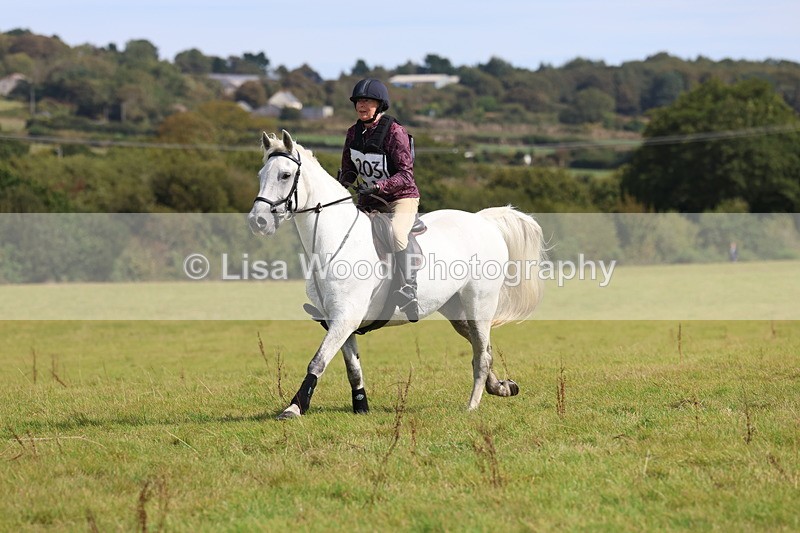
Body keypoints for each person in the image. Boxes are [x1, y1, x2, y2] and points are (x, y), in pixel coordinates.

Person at [338, 78, 420, 321]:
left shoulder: (394, 132)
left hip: (400, 198)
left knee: (396, 234)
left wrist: (378, 186)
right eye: (358, 101)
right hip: (369, 200)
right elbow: (349, 171)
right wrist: (338, 189)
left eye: (367, 101)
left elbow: (406, 175)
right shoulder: (353, 133)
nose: (361, 106)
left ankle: (409, 289)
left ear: (379, 104)